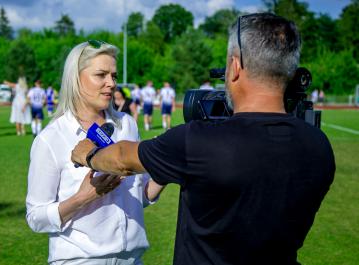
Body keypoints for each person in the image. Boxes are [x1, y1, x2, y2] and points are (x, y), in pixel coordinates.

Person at [71, 13, 335, 265]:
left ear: (234, 67)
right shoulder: (319, 146)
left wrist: (88, 154)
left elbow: (121, 159)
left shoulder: (198, 142)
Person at [26, 40, 164, 265]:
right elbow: (36, 218)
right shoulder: (51, 138)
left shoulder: (127, 125)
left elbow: (139, 196)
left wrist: (166, 167)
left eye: (114, 76)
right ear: (75, 78)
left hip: (132, 260)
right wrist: (82, 198)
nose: (111, 83)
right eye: (101, 75)